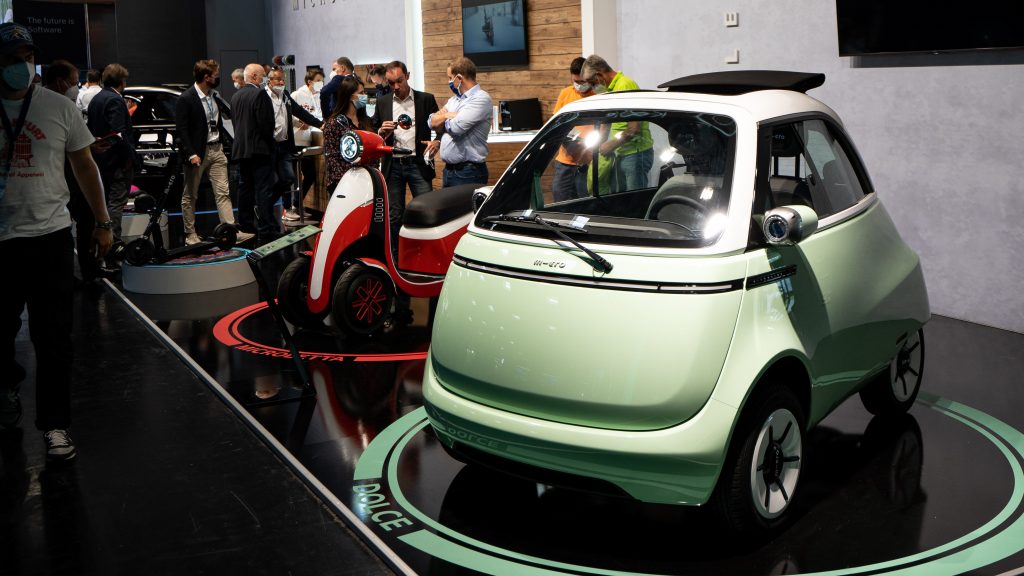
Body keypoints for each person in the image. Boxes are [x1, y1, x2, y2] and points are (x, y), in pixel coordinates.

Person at [0, 23, 114, 460]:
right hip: (2, 242)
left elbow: (85, 167)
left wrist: (103, 222)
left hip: (49, 237)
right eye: (11, 59)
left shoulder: (57, 107)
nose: (20, 67)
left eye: (26, 58)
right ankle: (7, 385)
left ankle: (55, 424)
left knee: (55, 339)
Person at [43, 59, 112, 282]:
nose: (78, 86)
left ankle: (87, 271)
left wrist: (89, 145)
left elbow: (77, 154)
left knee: (84, 224)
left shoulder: (65, 107)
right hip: (55, 183)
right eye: (74, 82)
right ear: (61, 82)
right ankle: (78, 273)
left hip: (72, 178)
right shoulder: (46, 107)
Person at [175, 59, 254, 245]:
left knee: (223, 192)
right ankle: (190, 234)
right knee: (190, 194)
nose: (218, 77)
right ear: (206, 77)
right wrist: (191, 153)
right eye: (215, 75)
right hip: (198, 153)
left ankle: (230, 230)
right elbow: (182, 130)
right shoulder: (186, 98)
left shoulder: (214, 96)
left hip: (217, 149)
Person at [372, 60, 440, 241]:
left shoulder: (426, 99)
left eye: (399, 81)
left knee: (427, 211)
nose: (396, 86)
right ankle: (396, 256)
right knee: (395, 215)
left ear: (408, 76)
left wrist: (437, 141)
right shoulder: (382, 102)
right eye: (391, 82)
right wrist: (381, 132)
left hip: (418, 163)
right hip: (393, 165)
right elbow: (374, 131)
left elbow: (441, 127)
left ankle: (427, 253)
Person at [580, 54, 653, 192]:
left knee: (634, 202)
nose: (591, 88)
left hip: (635, 154)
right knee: (621, 200)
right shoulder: (610, 90)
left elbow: (633, 128)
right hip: (621, 153)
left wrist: (611, 144)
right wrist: (595, 148)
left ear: (599, 75)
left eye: (592, 83)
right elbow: (607, 123)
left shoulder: (625, 85)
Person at [265, 65, 322, 224]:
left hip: (285, 144)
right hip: (270, 145)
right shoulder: (263, 96)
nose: (281, 82)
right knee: (274, 179)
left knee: (288, 177)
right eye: (278, 79)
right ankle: (275, 207)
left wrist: (320, 124)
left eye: (282, 79)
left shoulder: (285, 95)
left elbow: (300, 112)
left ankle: (270, 205)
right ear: (269, 80)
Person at [86, 63, 134, 246]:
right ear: (122, 81)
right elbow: (118, 134)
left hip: (101, 159)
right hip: (116, 161)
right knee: (116, 203)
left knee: (106, 201)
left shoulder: (97, 98)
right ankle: (114, 245)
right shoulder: (115, 99)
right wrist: (128, 158)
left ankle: (104, 246)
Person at [428, 57, 492, 187]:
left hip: (469, 172)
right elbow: (431, 122)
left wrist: (443, 120)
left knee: (466, 208)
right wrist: (448, 115)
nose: (449, 81)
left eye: (450, 78)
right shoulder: (454, 100)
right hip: (449, 171)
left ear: (459, 78)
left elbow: (456, 128)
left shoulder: (481, 98)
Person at [230, 63, 276, 241]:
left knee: (245, 189)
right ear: (255, 77)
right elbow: (266, 124)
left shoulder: (236, 96)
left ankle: (246, 225)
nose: (265, 78)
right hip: (260, 149)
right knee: (264, 190)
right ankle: (266, 229)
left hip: (242, 149)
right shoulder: (259, 94)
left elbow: (236, 123)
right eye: (263, 75)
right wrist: (270, 144)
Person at [551, 56, 594, 202]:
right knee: (560, 202)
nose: (580, 85)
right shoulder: (565, 94)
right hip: (565, 161)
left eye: (583, 82)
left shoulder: (599, 95)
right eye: (576, 82)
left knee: (586, 203)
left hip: (589, 161)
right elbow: (557, 125)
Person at [286, 68, 324, 221]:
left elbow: (318, 116)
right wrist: (297, 122)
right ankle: (288, 208)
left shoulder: (319, 96)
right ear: (310, 81)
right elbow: (288, 114)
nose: (321, 84)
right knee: (292, 177)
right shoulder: (296, 94)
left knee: (310, 175)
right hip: (295, 140)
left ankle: (296, 205)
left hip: (308, 139)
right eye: (319, 80)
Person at [322, 76, 372, 192]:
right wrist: (348, 180)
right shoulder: (334, 123)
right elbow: (332, 157)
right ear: (350, 96)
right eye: (361, 93)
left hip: (366, 181)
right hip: (343, 183)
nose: (365, 96)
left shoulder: (365, 121)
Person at [319, 56, 353, 121]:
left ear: (342, 68)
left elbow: (324, 92)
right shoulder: (355, 80)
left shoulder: (339, 79)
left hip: (338, 118)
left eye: (334, 69)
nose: (333, 72)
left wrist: (326, 116)